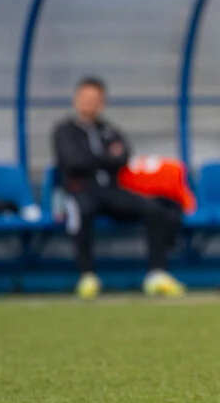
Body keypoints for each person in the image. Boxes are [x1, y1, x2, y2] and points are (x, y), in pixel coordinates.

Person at [52, 78, 186, 299]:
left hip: (112, 191)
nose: (89, 104)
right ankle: (87, 275)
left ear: (102, 103)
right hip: (80, 190)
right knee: (81, 211)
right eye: (85, 99)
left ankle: (157, 274)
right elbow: (72, 162)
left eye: (95, 100)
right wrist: (105, 158)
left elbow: (123, 158)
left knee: (153, 208)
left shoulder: (109, 130)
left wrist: (95, 159)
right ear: (76, 100)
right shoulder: (64, 131)